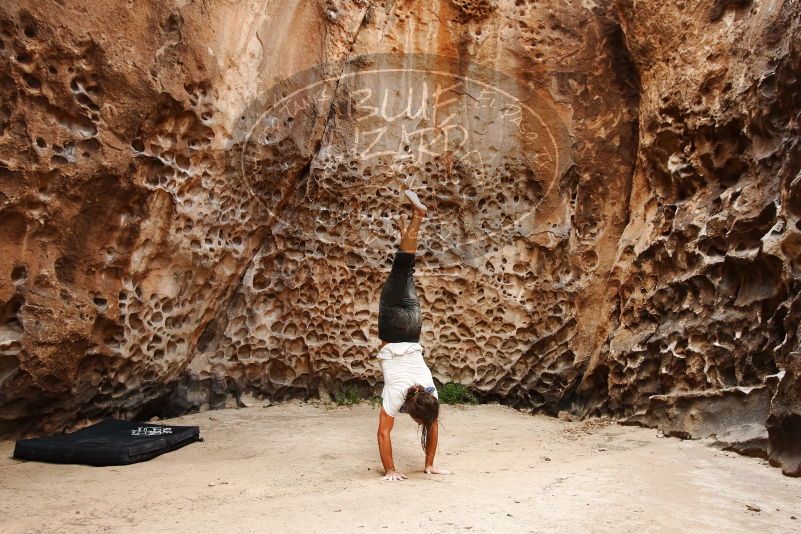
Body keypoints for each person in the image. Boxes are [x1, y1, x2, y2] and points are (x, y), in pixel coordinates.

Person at [375, 189, 450, 481]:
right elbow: (383, 434)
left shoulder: (430, 393)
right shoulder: (397, 395)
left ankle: (406, 225)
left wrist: (429, 465)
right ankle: (417, 217)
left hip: (413, 326)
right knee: (403, 266)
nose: (426, 423)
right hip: (393, 328)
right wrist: (390, 471)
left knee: (405, 271)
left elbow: (431, 423)